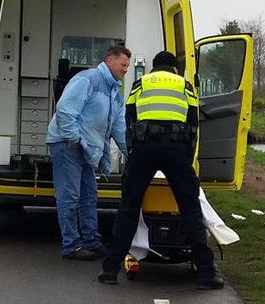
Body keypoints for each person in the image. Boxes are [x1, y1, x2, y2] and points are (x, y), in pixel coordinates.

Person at [99, 50, 224, 289]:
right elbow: (193, 124)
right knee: (190, 209)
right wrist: (185, 161)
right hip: (176, 149)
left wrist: (135, 151)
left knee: (128, 208)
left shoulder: (141, 83)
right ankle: (206, 275)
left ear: (153, 68)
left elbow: (129, 118)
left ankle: (109, 270)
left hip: (145, 149)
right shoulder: (185, 86)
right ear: (175, 68)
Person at [45, 44, 130, 261]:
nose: (126, 69)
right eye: (123, 64)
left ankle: (92, 242)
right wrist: (73, 138)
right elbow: (64, 109)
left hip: (86, 148)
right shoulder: (88, 79)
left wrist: (130, 151)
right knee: (70, 196)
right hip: (68, 145)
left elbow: (118, 126)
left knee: (89, 195)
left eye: (127, 66)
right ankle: (71, 245)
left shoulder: (114, 91)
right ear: (110, 61)